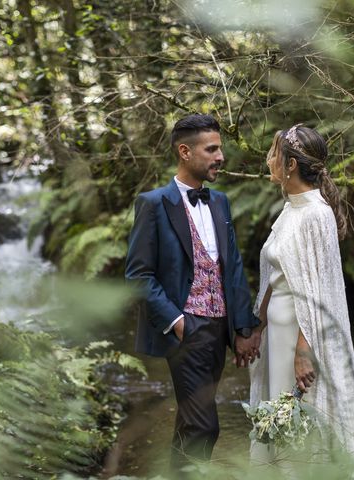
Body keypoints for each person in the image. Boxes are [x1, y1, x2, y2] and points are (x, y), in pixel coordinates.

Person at [125, 114, 261, 471]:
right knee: (205, 425)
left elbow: (231, 268)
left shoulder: (220, 203)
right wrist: (177, 321)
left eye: (220, 148)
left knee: (191, 421)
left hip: (219, 329)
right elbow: (138, 275)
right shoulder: (153, 204)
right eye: (211, 149)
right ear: (185, 152)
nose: (220, 156)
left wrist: (243, 328)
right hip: (185, 329)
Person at [248, 124, 354, 465]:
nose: (269, 159)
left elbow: (319, 293)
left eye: (275, 154)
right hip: (278, 336)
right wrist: (257, 327)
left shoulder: (317, 214)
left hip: (301, 340)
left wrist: (304, 352)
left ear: (290, 165)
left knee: (303, 423)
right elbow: (276, 277)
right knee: (279, 421)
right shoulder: (290, 210)